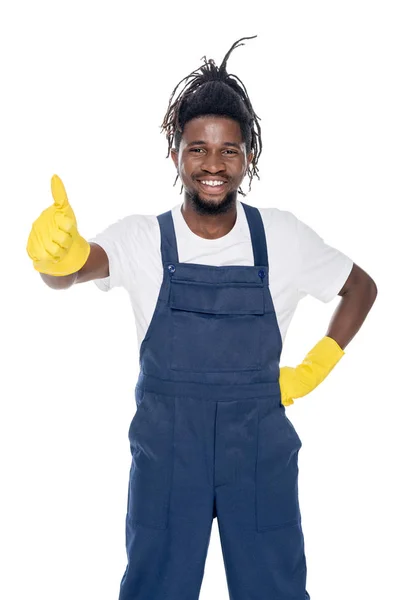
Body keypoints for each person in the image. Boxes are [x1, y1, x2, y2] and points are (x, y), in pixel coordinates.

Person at [26, 36, 377, 600]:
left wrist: (315, 367)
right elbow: (73, 271)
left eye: (229, 151)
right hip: (169, 452)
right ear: (176, 155)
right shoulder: (143, 238)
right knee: (154, 589)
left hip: (259, 448)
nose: (213, 165)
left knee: (274, 590)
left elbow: (361, 287)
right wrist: (56, 257)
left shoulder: (280, 236)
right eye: (197, 149)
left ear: (248, 158)